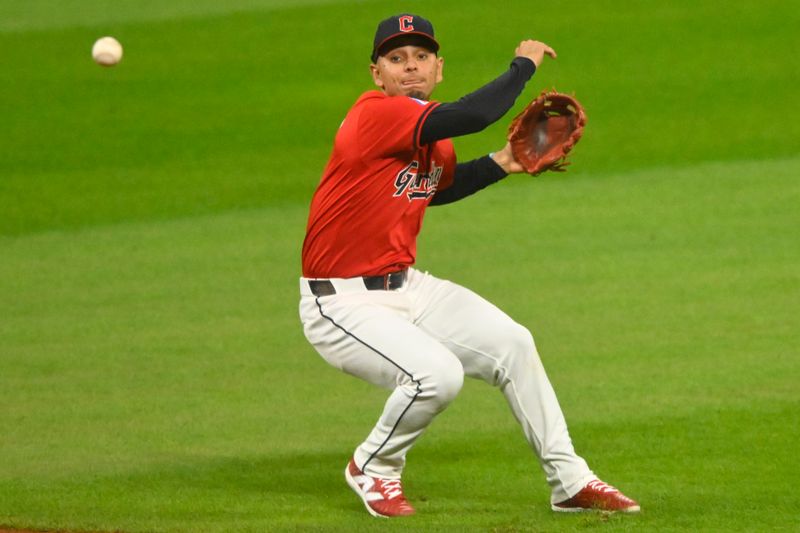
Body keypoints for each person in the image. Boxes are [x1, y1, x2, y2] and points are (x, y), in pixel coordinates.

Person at [298, 13, 639, 518]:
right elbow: (474, 115)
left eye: (420, 57)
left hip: (405, 287)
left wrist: (504, 162)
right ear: (377, 74)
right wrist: (522, 65)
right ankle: (373, 467)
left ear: (438, 68)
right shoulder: (375, 114)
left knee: (513, 343)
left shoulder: (431, 135)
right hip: (341, 302)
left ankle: (569, 480)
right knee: (436, 376)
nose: (410, 67)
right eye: (396, 59)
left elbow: (435, 190)